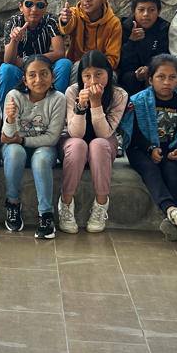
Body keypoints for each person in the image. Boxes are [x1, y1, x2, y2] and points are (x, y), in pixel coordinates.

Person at [121, 53, 177, 241]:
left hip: (170, 149)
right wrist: (149, 148)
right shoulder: (138, 101)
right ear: (150, 79)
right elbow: (133, 133)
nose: (167, 82)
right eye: (161, 77)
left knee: (173, 171)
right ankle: (171, 209)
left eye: (172, 77)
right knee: (150, 169)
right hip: (140, 149)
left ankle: (173, 220)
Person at [58, 49, 128, 235]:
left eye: (99, 74)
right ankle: (65, 204)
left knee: (98, 144)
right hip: (73, 144)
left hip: (103, 144)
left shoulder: (119, 95)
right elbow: (75, 133)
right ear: (80, 77)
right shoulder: (73, 91)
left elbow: (104, 133)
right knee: (78, 145)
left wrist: (96, 104)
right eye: (87, 76)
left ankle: (101, 205)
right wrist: (81, 107)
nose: (93, 81)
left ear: (108, 73)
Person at [0, 54, 65, 238]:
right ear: (25, 80)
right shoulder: (14, 96)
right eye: (32, 75)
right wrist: (10, 119)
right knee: (14, 152)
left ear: (52, 76)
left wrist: (23, 140)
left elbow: (52, 137)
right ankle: (12, 203)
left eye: (44, 74)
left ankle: (46, 214)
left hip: (44, 147)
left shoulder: (58, 99)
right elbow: (8, 137)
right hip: (15, 147)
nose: (38, 80)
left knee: (41, 159)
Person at [0, 0, 72, 106]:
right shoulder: (13, 23)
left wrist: (29, 61)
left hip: (43, 68)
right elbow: (8, 60)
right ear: (21, 6)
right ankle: (7, 113)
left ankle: (56, 107)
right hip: (20, 71)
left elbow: (60, 52)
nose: (34, 9)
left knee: (64, 64)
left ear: (45, 7)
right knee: (6, 69)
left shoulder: (50, 20)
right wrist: (14, 40)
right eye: (29, 4)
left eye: (40, 5)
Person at [56, 0, 122, 70]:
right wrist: (64, 21)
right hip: (76, 66)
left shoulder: (114, 23)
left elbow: (113, 58)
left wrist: (94, 70)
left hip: (101, 68)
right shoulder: (74, 13)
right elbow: (67, 28)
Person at [117, 0, 169, 96]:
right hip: (129, 74)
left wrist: (150, 68)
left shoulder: (163, 28)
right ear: (134, 11)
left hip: (154, 71)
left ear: (158, 11)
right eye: (141, 10)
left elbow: (164, 55)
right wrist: (131, 41)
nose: (146, 14)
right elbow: (121, 61)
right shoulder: (124, 27)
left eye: (151, 10)